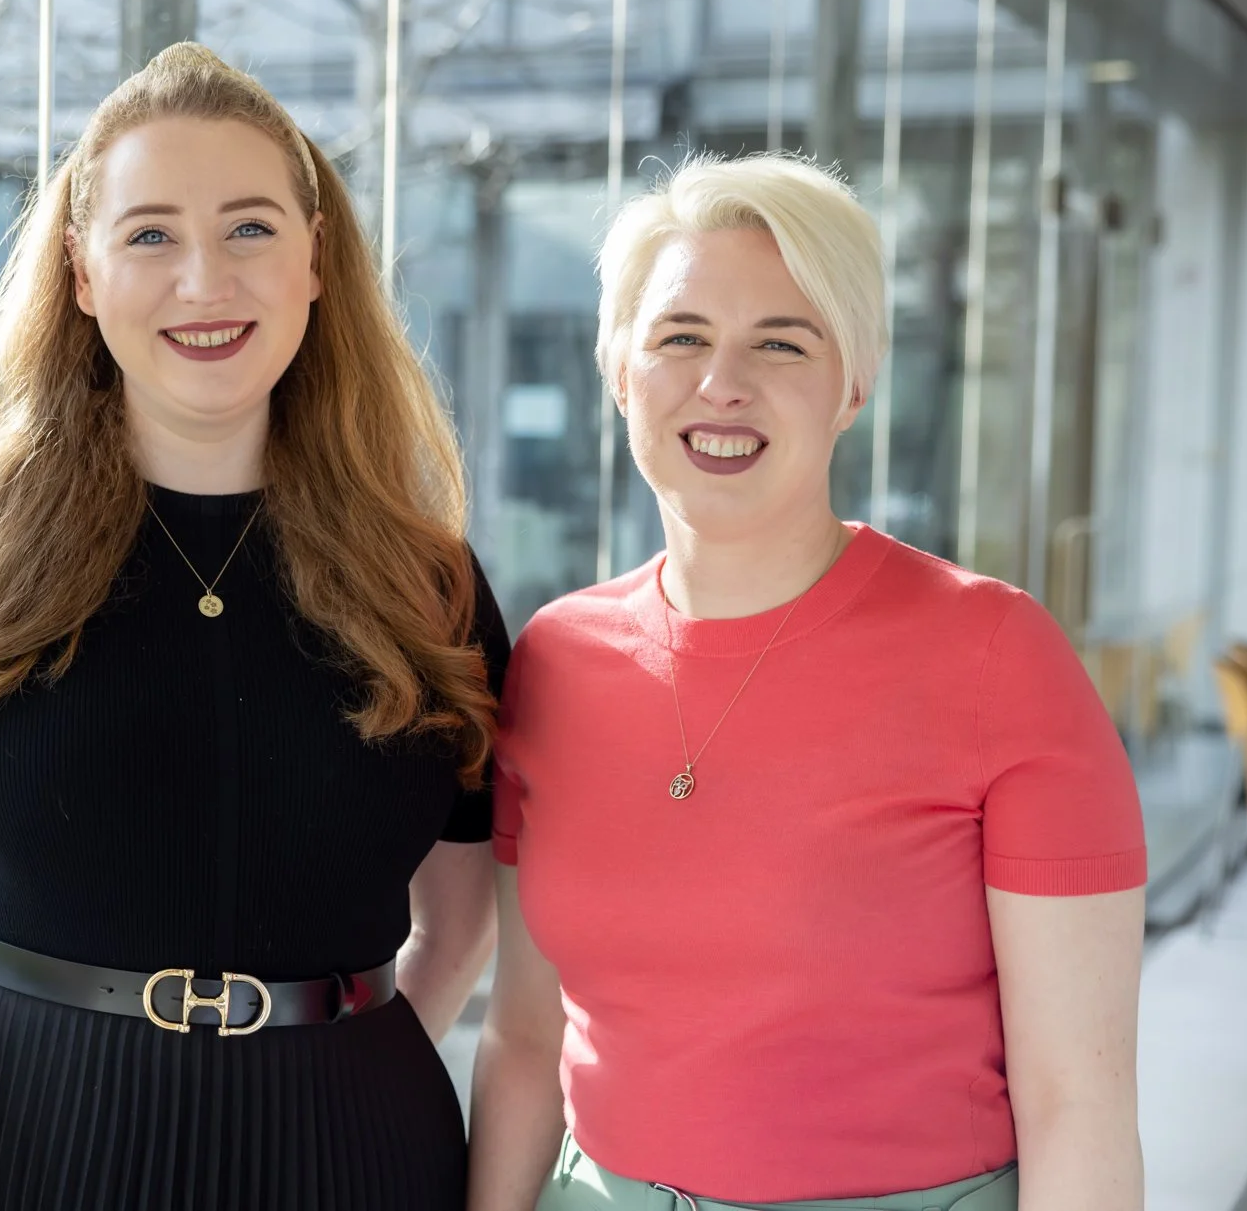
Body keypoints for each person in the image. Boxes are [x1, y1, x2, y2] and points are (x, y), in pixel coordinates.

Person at [0, 42, 506, 1210]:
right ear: (83, 272)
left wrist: (331, 1066)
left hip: (349, 1152)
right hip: (12, 1152)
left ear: (314, 259)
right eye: (150, 235)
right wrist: (10, 1096)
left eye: (249, 229)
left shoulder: (426, 582)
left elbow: (459, 928)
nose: (205, 281)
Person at [468, 154, 1146, 1211]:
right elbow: (523, 1038)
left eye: (781, 342)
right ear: (620, 373)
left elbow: (1078, 1103)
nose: (721, 383)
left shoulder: (995, 654)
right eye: (680, 337)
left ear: (854, 385)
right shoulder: (555, 660)